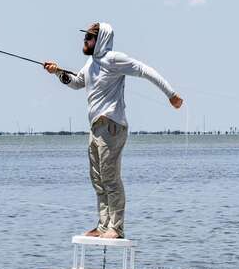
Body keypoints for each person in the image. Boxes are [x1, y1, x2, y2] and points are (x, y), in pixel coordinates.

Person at [44, 22, 183, 239]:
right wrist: (57, 72)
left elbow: (145, 70)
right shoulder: (91, 63)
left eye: (89, 37)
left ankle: (116, 228)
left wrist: (171, 94)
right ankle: (103, 225)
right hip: (95, 128)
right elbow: (77, 82)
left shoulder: (113, 59)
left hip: (111, 125)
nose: (85, 41)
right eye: (85, 37)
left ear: (100, 39)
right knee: (97, 179)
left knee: (110, 178)